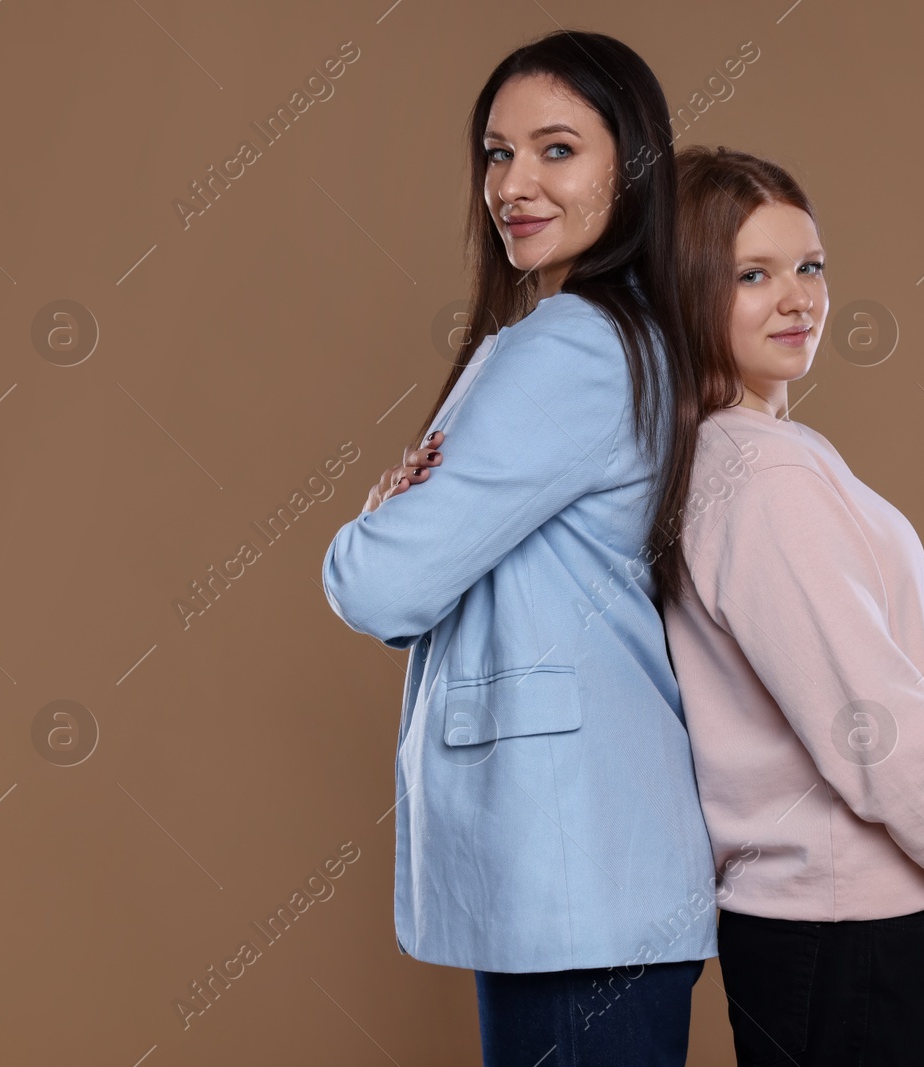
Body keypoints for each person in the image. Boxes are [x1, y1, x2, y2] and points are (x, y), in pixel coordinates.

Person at [320, 32, 716, 1067]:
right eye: (496, 153)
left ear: (628, 170)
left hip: (577, 878)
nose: (513, 184)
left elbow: (378, 582)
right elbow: (410, 601)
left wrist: (372, 527)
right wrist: (402, 546)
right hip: (585, 877)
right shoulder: (614, 337)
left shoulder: (571, 349)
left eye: (555, 150)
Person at [657, 145, 924, 1065]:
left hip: (837, 922)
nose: (798, 298)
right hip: (842, 930)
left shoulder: (738, 457)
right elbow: (881, 734)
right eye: (752, 274)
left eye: (810, 265)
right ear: (687, 291)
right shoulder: (764, 480)